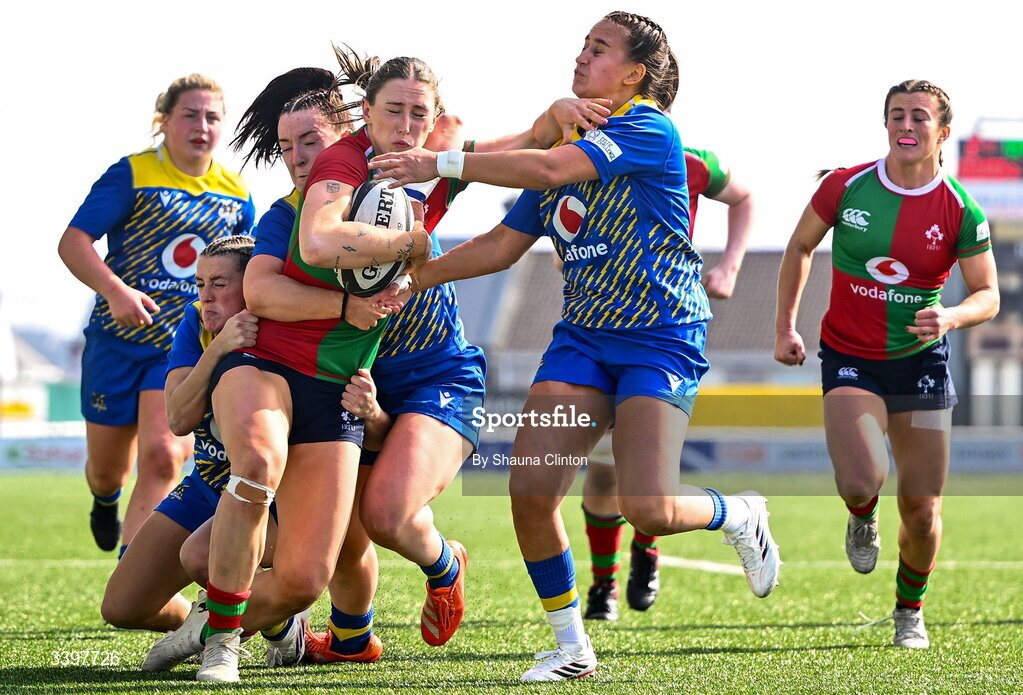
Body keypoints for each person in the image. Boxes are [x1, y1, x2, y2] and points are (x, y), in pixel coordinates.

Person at [362, 11, 782, 681]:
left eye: (598, 50)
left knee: (646, 505)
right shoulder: (570, 138)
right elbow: (499, 247)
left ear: (634, 74)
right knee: (530, 490)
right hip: (582, 341)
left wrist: (438, 161)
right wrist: (413, 279)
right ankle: (570, 647)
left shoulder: (647, 127)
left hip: (659, 338)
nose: (581, 58)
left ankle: (739, 511)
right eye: (582, 46)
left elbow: (551, 165)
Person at [297, 49, 609, 656]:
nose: (406, 126)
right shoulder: (343, 162)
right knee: (346, 530)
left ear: (435, 117)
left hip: (438, 370)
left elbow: (532, 140)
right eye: (393, 111)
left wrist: (558, 111)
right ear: (367, 110)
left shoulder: (435, 162)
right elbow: (317, 240)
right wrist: (411, 241)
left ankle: (445, 565)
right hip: (364, 371)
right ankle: (350, 638)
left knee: (386, 514)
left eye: (420, 113)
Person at [774, 79, 998, 649]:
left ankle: (908, 611)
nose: (905, 125)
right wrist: (786, 326)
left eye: (918, 117)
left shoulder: (961, 210)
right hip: (849, 355)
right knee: (860, 477)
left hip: (921, 365)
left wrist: (950, 317)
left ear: (941, 132)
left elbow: (988, 294)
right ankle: (862, 511)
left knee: (922, 511)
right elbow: (799, 247)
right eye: (896, 115)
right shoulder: (846, 187)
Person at [58, 74, 255, 557]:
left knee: (165, 456)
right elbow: (73, 242)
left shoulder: (237, 193)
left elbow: (247, 268)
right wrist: (116, 291)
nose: (202, 126)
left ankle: (134, 568)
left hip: (178, 346)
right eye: (190, 114)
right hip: (115, 341)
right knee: (108, 470)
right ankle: (105, 499)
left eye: (212, 117)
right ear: (164, 120)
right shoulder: (132, 174)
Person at [581, 146, 754, 620]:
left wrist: (730, 266)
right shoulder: (578, 155)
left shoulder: (691, 159)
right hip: (593, 325)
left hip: (664, 327)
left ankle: (647, 546)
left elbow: (742, 197)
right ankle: (603, 584)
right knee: (601, 468)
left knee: (646, 458)